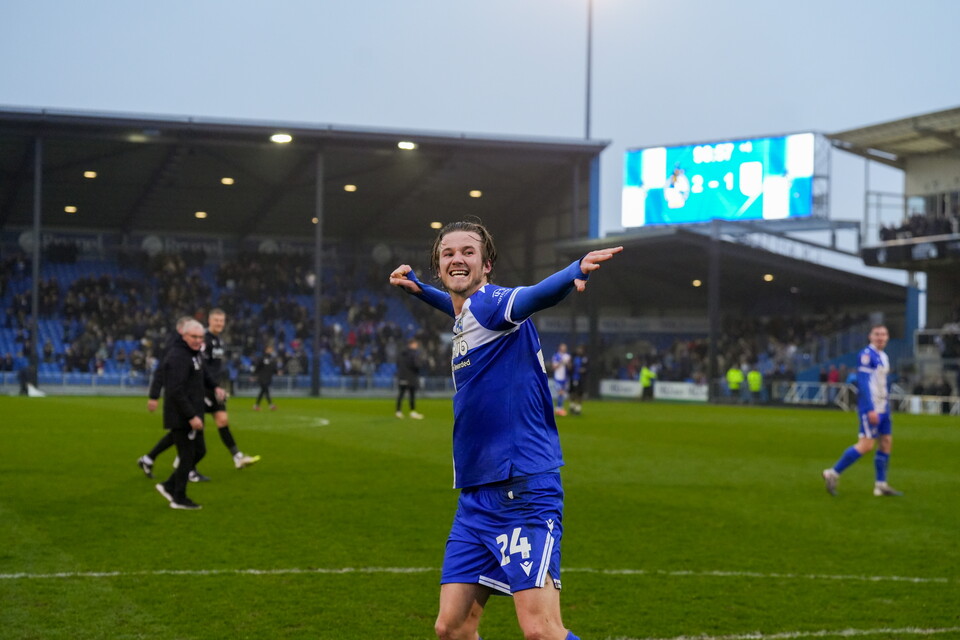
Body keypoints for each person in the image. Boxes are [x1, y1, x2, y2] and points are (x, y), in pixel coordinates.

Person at [389, 219, 622, 640]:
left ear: (487, 265)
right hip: (477, 496)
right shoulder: (467, 314)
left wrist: (574, 271)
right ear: (438, 266)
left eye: (467, 252)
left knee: (541, 631)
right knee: (452, 627)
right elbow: (458, 306)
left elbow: (533, 296)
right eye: (447, 254)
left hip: (522, 488)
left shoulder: (492, 303)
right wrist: (421, 292)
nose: (457, 258)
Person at [138, 311, 260, 481]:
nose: (219, 323)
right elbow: (194, 367)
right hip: (198, 390)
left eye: (222, 320)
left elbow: (205, 367)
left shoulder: (218, 341)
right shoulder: (199, 342)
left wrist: (217, 386)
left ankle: (235, 457)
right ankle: (184, 466)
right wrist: (154, 395)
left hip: (210, 388)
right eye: (216, 320)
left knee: (214, 422)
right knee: (190, 427)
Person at [822, 324, 903, 497]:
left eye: (883, 334)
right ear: (870, 336)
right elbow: (864, 382)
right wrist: (870, 409)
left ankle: (881, 485)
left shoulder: (883, 356)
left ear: (887, 337)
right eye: (877, 334)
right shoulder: (867, 355)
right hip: (872, 407)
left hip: (883, 407)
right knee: (866, 445)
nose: (880, 337)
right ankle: (832, 473)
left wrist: (885, 406)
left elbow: (881, 383)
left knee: (886, 442)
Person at [153, 319, 224, 510]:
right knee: (187, 455)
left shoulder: (194, 354)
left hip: (192, 412)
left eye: (201, 337)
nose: (198, 340)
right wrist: (191, 415)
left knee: (199, 451)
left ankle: (169, 485)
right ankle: (179, 497)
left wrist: (215, 387)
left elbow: (203, 374)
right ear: (183, 336)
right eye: (194, 336)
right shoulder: (178, 357)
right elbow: (175, 391)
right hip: (181, 415)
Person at [395, 337, 424, 419]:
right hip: (411, 376)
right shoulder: (413, 354)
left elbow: (398, 364)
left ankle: (398, 411)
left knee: (401, 394)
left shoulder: (401, 353)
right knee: (411, 394)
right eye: (415, 344)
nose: (416, 346)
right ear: (411, 344)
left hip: (402, 376)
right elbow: (416, 365)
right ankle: (412, 411)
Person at [253, 345, 278, 411]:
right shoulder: (262, 358)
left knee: (263, 391)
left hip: (268, 377)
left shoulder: (272, 359)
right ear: (266, 350)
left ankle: (256, 405)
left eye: (271, 349)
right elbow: (258, 367)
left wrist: (277, 372)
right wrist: (254, 375)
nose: (271, 350)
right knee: (266, 391)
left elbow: (273, 368)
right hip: (262, 377)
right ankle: (271, 405)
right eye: (269, 349)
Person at [550, 343, 571, 416]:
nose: (564, 348)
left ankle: (559, 408)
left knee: (562, 394)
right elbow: (553, 367)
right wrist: (561, 362)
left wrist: (567, 363)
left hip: (564, 378)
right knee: (560, 392)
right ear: (560, 347)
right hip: (558, 377)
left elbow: (570, 368)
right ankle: (559, 409)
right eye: (562, 347)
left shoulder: (567, 356)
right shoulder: (556, 356)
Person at [568, 345, 588, 416]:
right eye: (578, 349)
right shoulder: (573, 358)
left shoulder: (585, 358)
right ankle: (572, 405)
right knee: (572, 392)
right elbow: (569, 367)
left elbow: (587, 368)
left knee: (579, 393)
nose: (579, 351)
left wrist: (584, 370)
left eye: (581, 349)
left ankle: (578, 408)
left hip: (581, 379)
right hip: (573, 377)